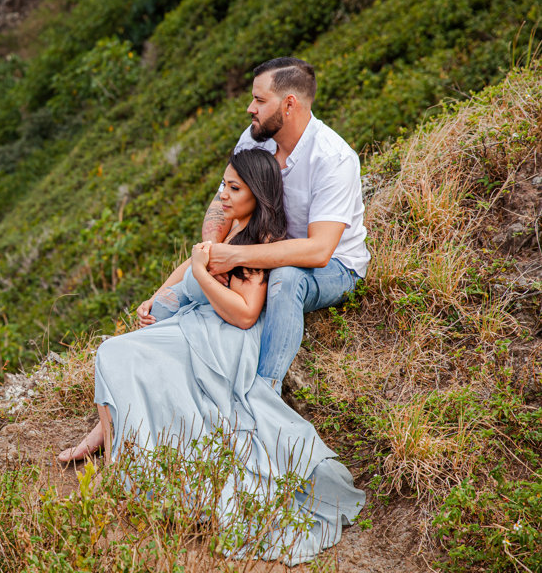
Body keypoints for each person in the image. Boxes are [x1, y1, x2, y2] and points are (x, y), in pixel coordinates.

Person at [57, 149, 364, 564]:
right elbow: (194, 258)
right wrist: (157, 297)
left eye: (233, 188)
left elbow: (245, 313)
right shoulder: (232, 223)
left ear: (257, 194)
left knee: (113, 353)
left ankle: (117, 462)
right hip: (197, 322)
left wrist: (202, 274)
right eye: (223, 184)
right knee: (119, 353)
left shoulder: (261, 240)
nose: (222, 194)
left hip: (224, 339)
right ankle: (115, 450)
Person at [185, 56, 369, 393]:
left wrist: (239, 257)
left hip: (335, 268)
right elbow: (222, 203)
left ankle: (264, 392)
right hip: (264, 249)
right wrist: (216, 252)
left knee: (287, 277)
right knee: (191, 273)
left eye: (259, 100)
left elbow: (318, 250)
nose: (249, 108)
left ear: (288, 104)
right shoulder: (254, 139)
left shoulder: (333, 158)